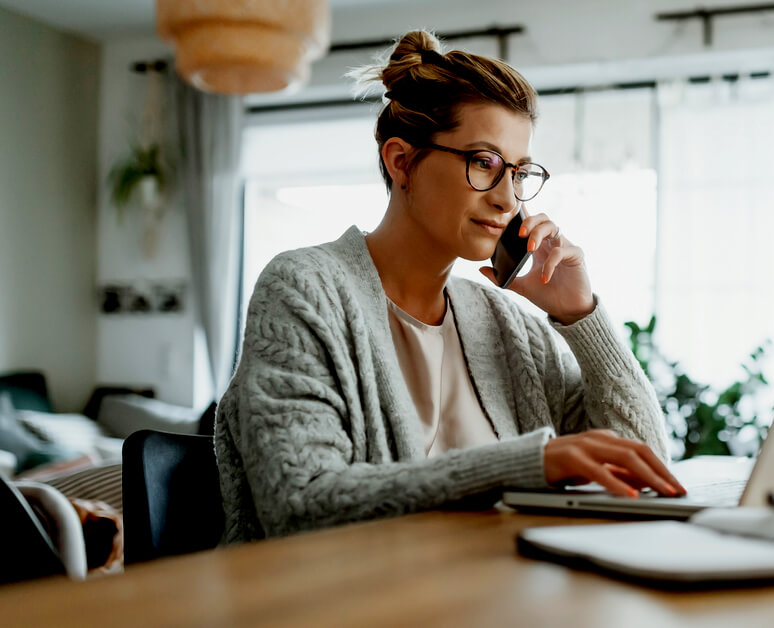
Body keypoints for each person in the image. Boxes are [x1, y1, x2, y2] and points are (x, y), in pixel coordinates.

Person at [214, 30, 685, 543]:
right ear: (401, 163)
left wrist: (581, 317)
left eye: (519, 172)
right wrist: (524, 464)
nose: (508, 198)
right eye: (484, 162)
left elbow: (645, 469)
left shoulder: (509, 326)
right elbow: (299, 503)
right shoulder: (304, 290)